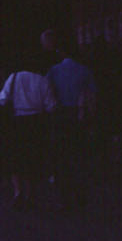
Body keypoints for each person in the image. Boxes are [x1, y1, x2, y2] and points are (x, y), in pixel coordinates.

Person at [43, 33, 96, 207]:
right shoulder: (85, 71)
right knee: (79, 154)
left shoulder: (54, 70)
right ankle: (80, 193)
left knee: (61, 155)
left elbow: (48, 94)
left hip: (60, 115)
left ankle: (63, 196)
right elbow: (91, 96)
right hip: (78, 115)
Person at [0, 52, 56, 207]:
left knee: (15, 157)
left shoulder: (14, 77)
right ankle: (30, 193)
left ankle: (18, 191)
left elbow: (3, 99)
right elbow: (51, 105)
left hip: (17, 120)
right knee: (32, 157)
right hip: (36, 122)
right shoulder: (42, 80)